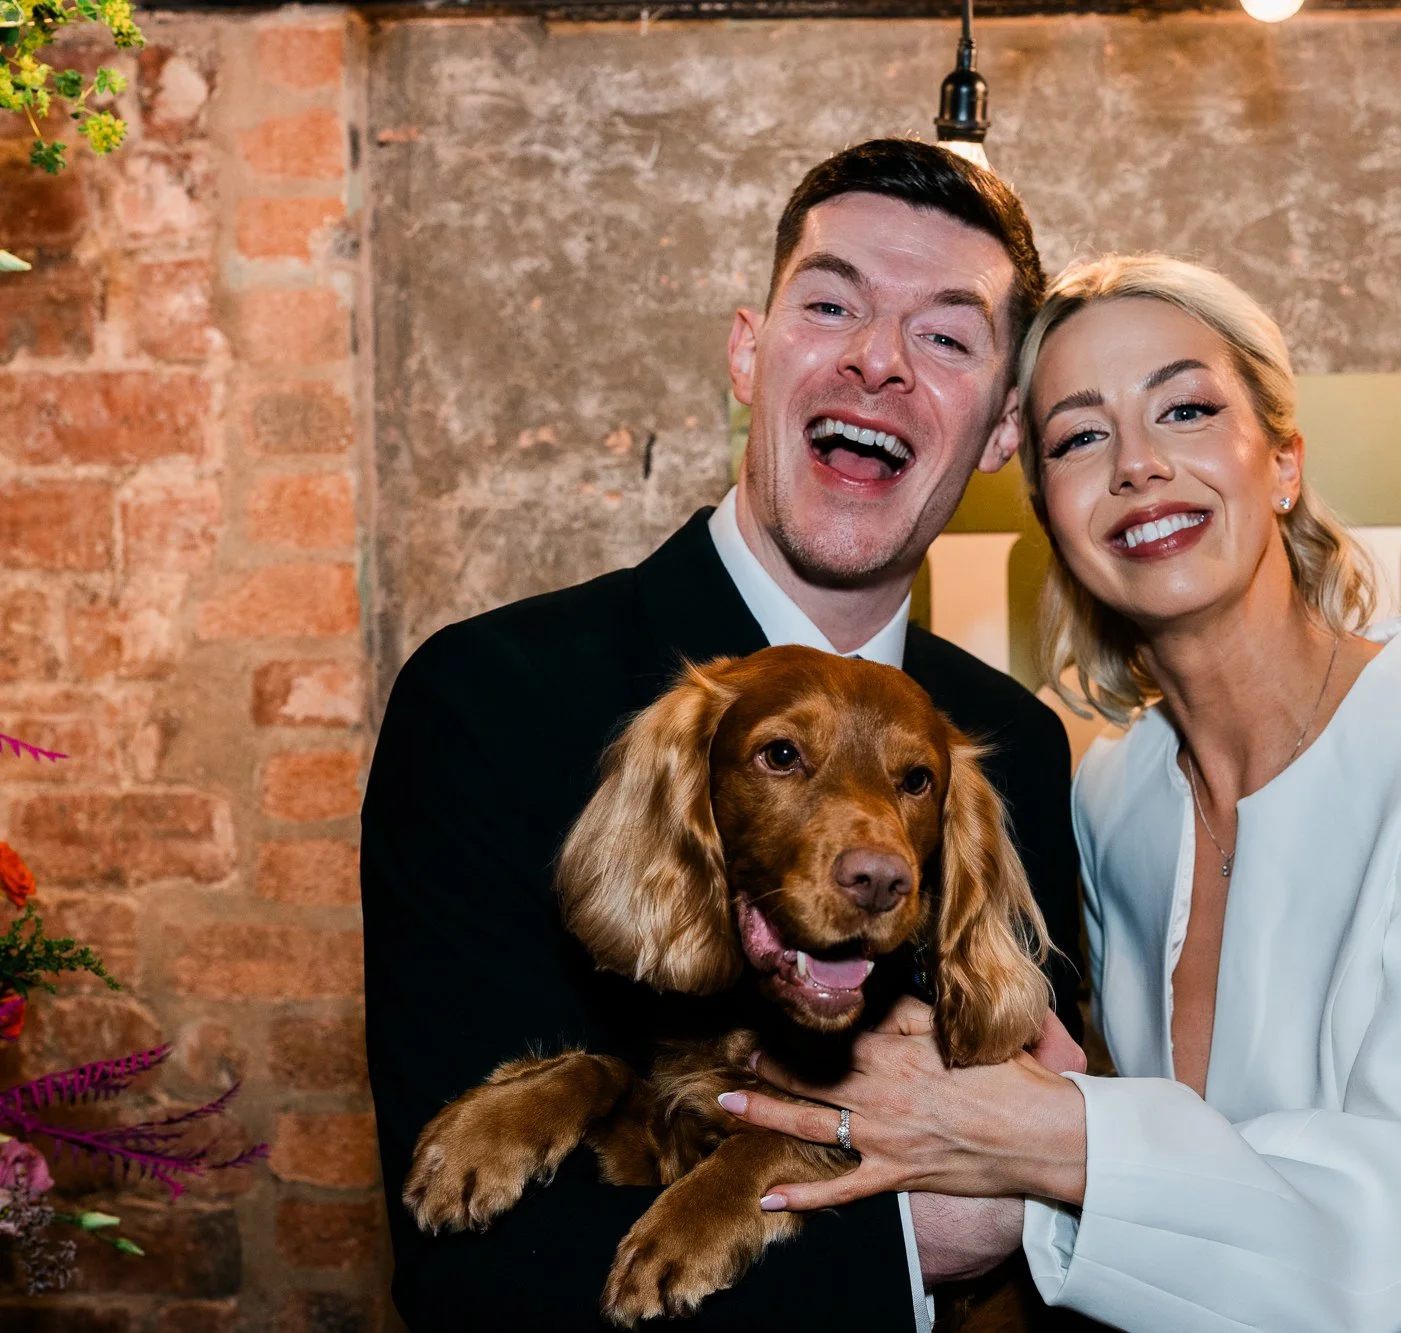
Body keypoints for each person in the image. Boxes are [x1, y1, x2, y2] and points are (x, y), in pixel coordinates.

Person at [725, 254, 1401, 1332]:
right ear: (1050, 517)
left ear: (1282, 459)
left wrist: (1040, 1135)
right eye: (1080, 437)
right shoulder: (1108, 798)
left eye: (1184, 409)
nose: (1137, 463)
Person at [360, 139, 1085, 1332]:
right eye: (832, 305)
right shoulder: (488, 694)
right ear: (749, 352)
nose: (878, 359)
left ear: (1002, 428)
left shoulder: (1017, 743)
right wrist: (913, 1245)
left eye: (946, 336)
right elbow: (474, 1282)